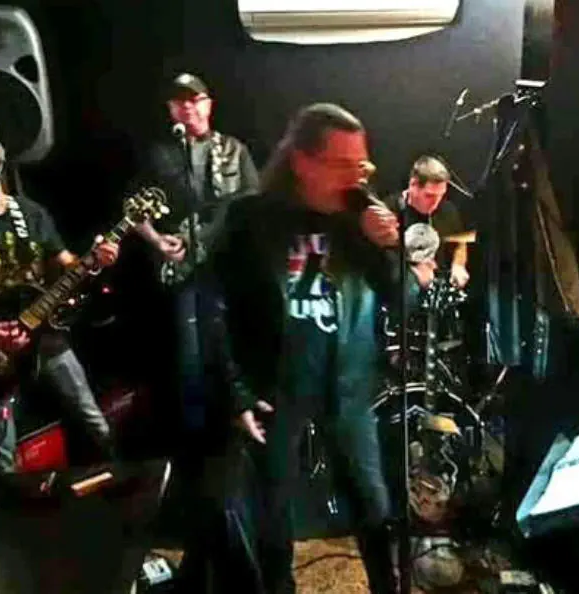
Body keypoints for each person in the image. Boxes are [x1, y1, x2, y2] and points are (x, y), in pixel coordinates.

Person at [213, 103, 432, 593]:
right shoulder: (251, 219)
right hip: (275, 389)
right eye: (341, 165)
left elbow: (407, 300)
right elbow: (211, 310)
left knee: (374, 507)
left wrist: (389, 248)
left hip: (348, 389)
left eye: (361, 166)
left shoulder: (358, 221)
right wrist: (236, 393)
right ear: (302, 162)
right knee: (273, 514)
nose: (356, 178)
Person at [131, 73, 260, 591]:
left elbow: (251, 207)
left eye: (197, 100)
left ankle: (234, 437)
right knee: (189, 362)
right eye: (181, 102)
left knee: (231, 351)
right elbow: (132, 209)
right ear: (171, 110)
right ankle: (193, 460)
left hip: (226, 270)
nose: (190, 109)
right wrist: (158, 242)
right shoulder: (160, 156)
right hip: (185, 273)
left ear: (210, 103)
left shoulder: (235, 151)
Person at [0, 115, 119, 472]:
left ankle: (119, 480)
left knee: (92, 419)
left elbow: (67, 264)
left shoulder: (30, 213)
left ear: (0, 159)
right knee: (0, 450)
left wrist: (94, 261)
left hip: (45, 335)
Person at [388, 155, 470, 288]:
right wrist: (413, 274)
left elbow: (459, 244)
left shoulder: (447, 210)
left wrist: (458, 265)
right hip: (401, 289)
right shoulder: (390, 210)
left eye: (441, 195)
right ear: (413, 184)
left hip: (438, 288)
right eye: (429, 195)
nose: (435, 203)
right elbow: (383, 260)